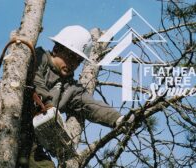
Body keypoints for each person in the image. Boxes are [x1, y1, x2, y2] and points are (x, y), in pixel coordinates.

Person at [30, 25, 126, 167]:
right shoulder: (39, 56)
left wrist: (118, 119)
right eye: (70, 56)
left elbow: (90, 105)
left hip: (30, 142)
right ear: (57, 49)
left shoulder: (70, 88)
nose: (73, 64)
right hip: (2, 121)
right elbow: (34, 76)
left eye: (78, 60)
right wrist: (47, 103)